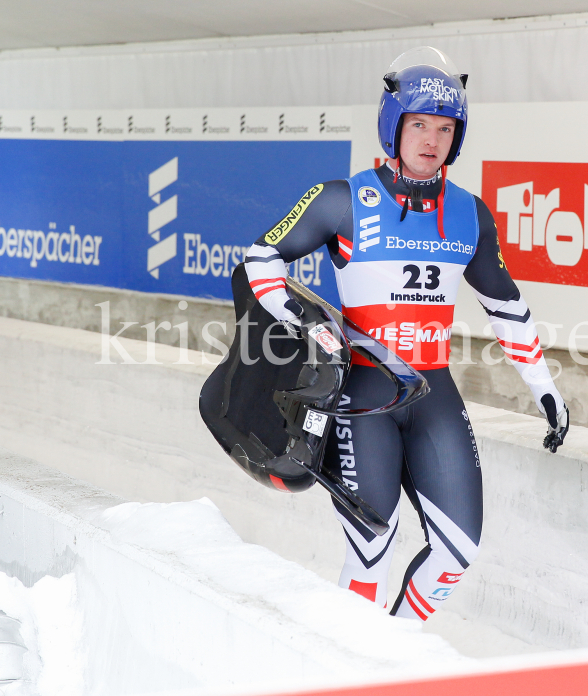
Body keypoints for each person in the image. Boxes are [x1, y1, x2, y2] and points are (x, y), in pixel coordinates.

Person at [242, 47, 569, 620]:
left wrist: (544, 385)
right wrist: (305, 323)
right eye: (419, 124)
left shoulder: (471, 213)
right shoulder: (341, 198)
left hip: (433, 391)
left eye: (445, 129)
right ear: (394, 126)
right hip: (363, 394)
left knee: (457, 551)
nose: (432, 140)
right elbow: (259, 260)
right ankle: (349, 665)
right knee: (372, 546)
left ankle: (391, 651)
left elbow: (506, 305)